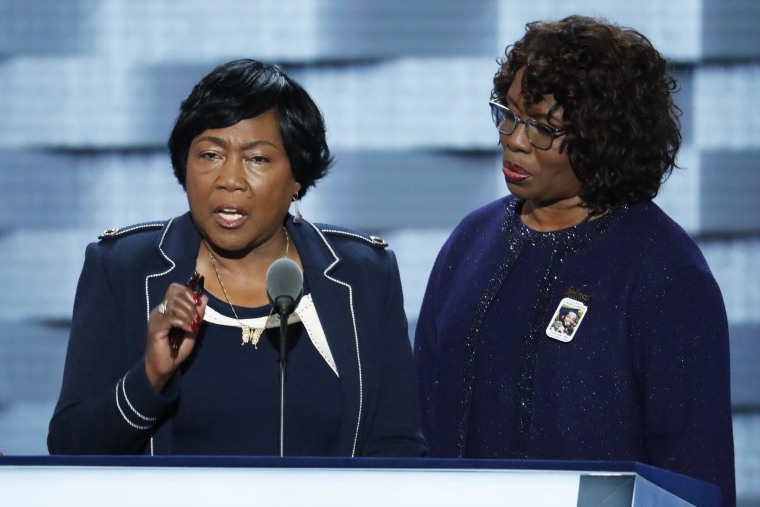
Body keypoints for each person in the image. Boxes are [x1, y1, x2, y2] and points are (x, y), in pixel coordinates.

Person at [414, 15, 734, 505]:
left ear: (604, 138)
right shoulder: (468, 241)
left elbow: (693, 472)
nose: (513, 139)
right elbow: (419, 425)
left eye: (543, 128)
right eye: (508, 113)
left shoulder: (666, 274)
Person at [48, 59, 427, 458]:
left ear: (297, 176)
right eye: (210, 155)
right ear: (184, 164)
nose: (229, 179)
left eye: (257, 159)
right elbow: (70, 448)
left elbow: (396, 449)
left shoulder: (363, 275)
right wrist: (151, 377)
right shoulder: (122, 269)